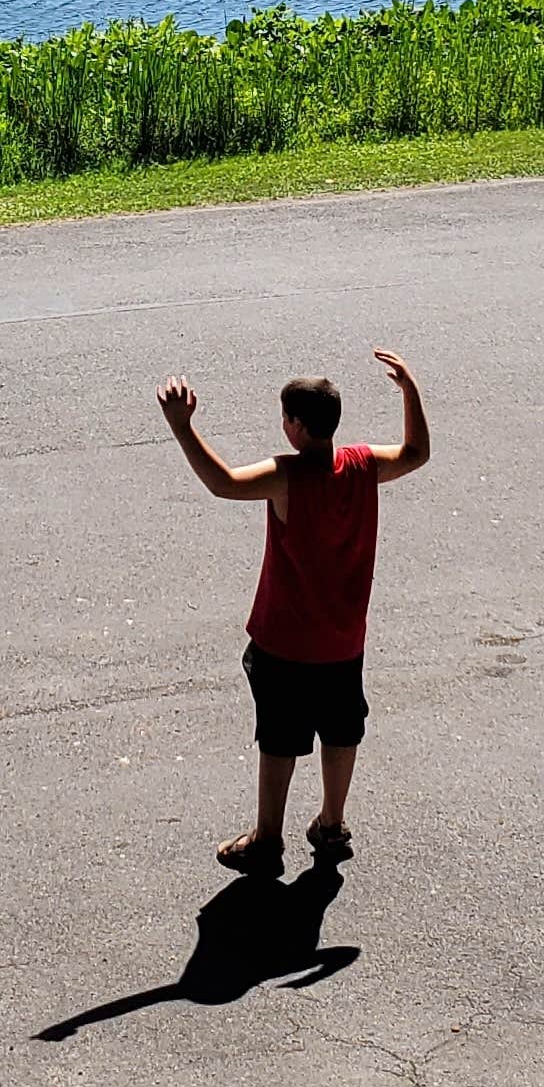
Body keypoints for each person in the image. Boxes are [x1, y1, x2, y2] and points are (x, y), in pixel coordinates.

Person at [156, 348, 431, 873]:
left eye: (285, 417)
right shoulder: (363, 466)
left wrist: (182, 427)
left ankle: (266, 840)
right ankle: (331, 824)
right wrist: (410, 391)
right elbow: (416, 451)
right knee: (342, 731)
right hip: (344, 641)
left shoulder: (287, 476)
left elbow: (223, 483)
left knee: (279, 740)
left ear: (298, 425)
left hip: (284, 643)